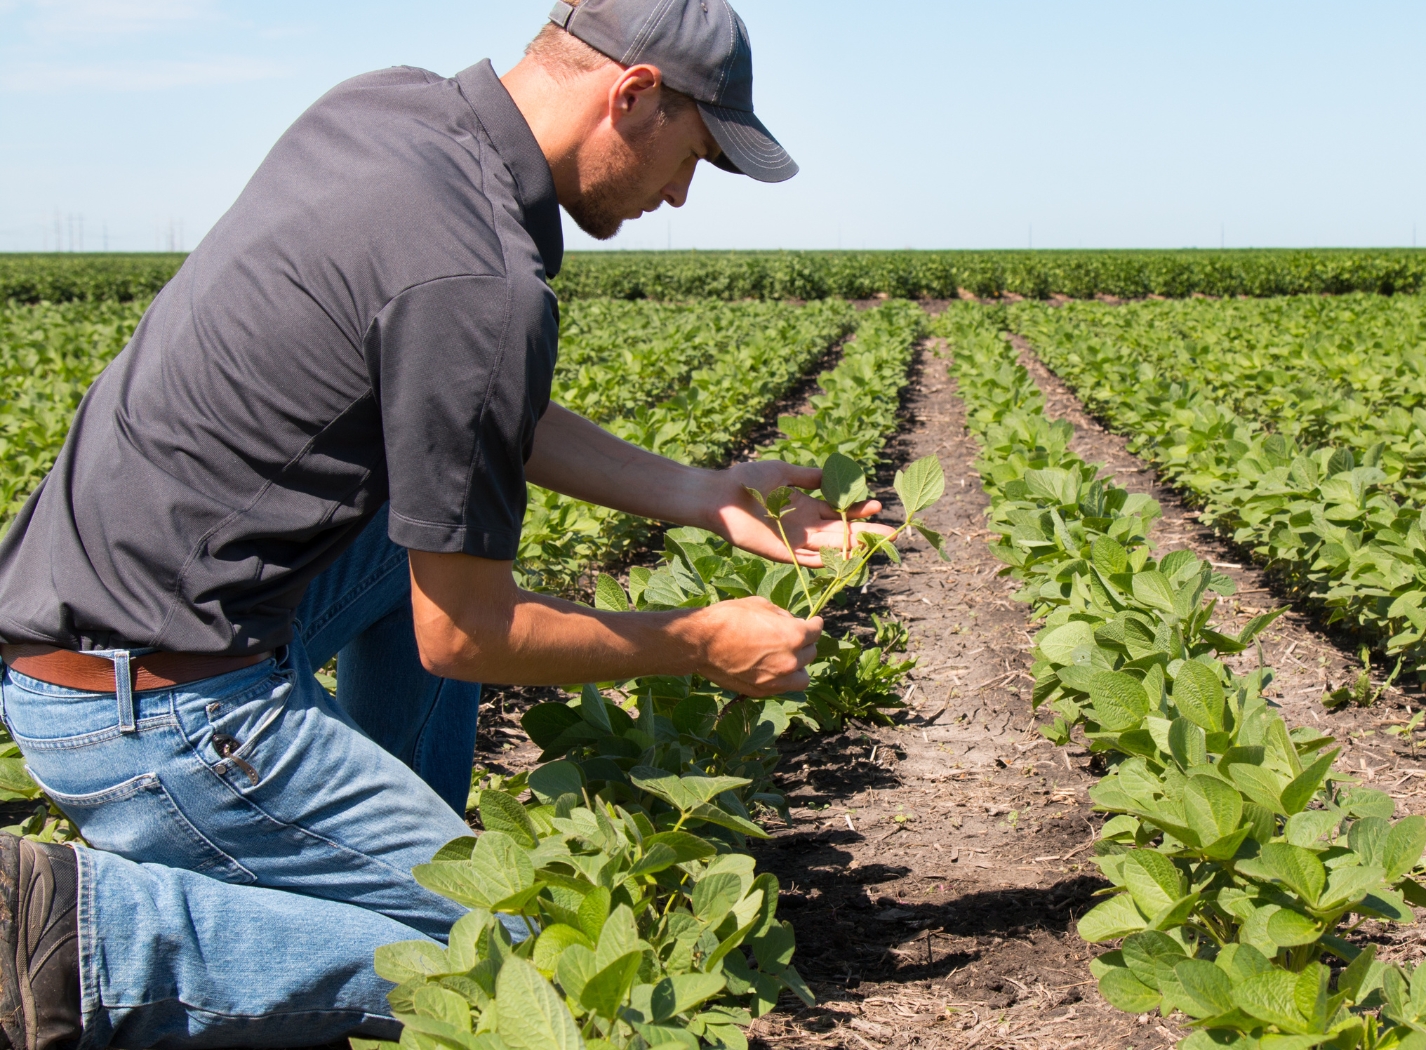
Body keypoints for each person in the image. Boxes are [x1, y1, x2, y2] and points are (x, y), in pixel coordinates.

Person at [0, 1, 876, 1046]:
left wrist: (701, 491)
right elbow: (463, 635)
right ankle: (90, 935)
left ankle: (372, 852)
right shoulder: (485, 282)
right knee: (520, 980)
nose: (683, 193)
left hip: (87, 634)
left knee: (414, 524)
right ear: (633, 94)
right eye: (695, 153)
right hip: (157, 718)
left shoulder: (389, 111)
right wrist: (699, 642)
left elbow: (462, 407)